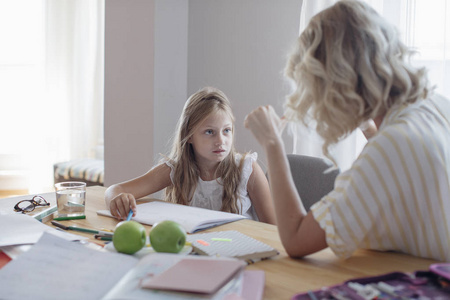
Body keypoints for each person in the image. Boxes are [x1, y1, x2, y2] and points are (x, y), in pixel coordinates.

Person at [244, 0, 450, 261]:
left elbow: (296, 239)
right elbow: (401, 171)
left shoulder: (387, 150)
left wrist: (273, 144)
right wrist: (366, 121)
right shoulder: (435, 105)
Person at [105, 87, 276, 225]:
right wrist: (118, 199)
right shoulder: (175, 169)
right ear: (189, 136)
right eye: (209, 132)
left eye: (226, 131)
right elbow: (114, 190)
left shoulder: (247, 169)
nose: (220, 141)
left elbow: (274, 229)